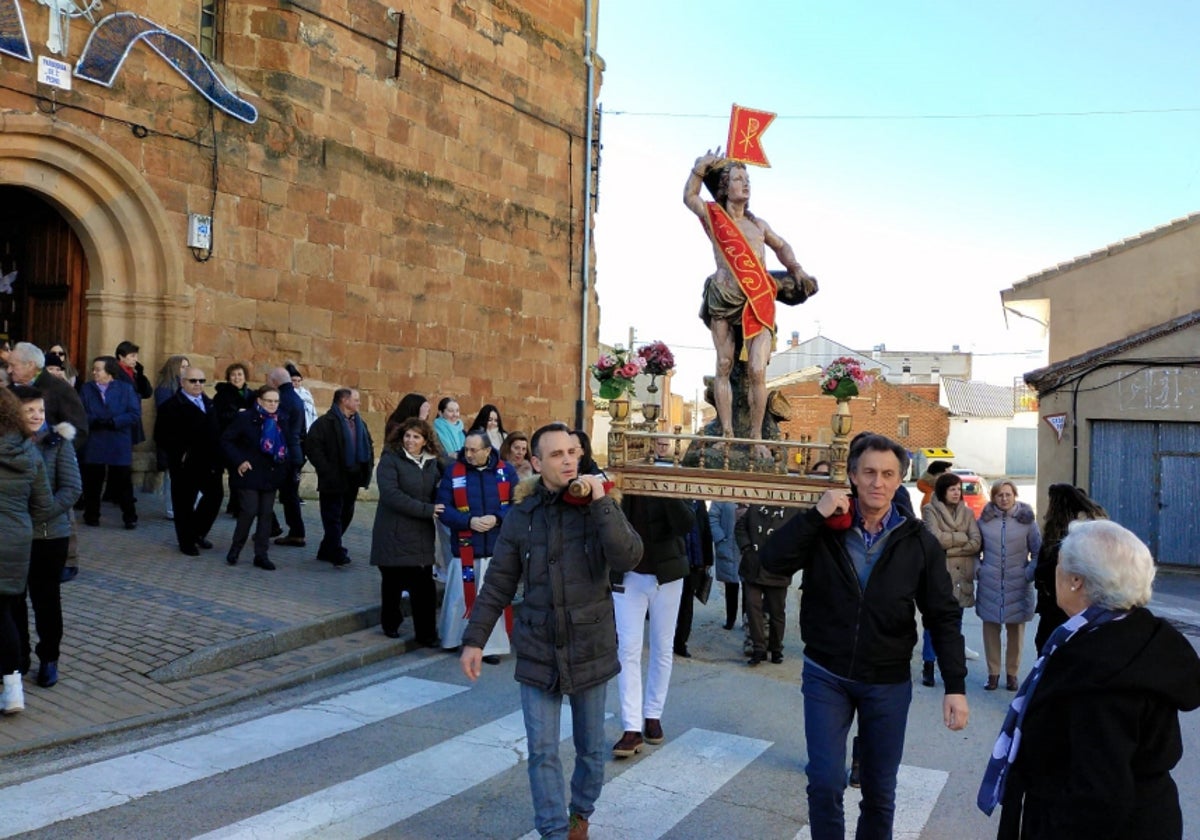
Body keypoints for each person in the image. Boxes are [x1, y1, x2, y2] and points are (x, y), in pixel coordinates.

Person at [761, 433, 968, 840]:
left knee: (878, 791)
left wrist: (955, 686)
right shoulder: (824, 528)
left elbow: (943, 615)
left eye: (888, 474)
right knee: (824, 781)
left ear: (899, 480)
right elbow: (771, 562)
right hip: (827, 674)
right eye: (869, 472)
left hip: (886, 682)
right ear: (853, 475)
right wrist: (814, 516)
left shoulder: (918, 541)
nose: (878, 482)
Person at [459, 422, 642, 840]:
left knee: (591, 749)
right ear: (537, 462)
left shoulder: (600, 506)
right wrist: (475, 639)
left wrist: (602, 503)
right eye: (556, 454)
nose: (567, 460)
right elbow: (500, 581)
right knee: (542, 750)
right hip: (539, 645)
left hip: (589, 645)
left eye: (573, 452)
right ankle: (554, 831)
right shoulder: (523, 514)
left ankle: (581, 812)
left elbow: (628, 557)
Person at [979, 519, 1200, 839]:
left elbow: (1099, 794)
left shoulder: (1101, 667)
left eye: (1059, 566)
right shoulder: (1131, 633)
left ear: (1076, 581)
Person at [684, 150, 817, 442]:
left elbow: (782, 247)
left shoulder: (759, 225)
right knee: (723, 364)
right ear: (725, 186)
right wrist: (699, 169)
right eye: (738, 179)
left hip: (759, 298)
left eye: (748, 179)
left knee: (758, 369)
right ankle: (728, 435)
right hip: (725, 295)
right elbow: (689, 198)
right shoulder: (714, 215)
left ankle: (757, 438)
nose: (746, 184)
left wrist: (796, 269)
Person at [612, 441, 695, 756]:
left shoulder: (673, 477)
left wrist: (664, 487)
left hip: (666, 577)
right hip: (629, 575)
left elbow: (686, 524)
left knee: (662, 647)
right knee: (628, 650)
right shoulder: (622, 480)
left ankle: (653, 715)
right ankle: (631, 726)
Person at [12, 385, 80, 689]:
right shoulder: (7, 443)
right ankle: (17, 659)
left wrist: (40, 512)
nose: (37, 415)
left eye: (40, 409)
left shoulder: (58, 442)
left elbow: (72, 489)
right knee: (13, 601)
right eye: (30, 410)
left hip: (49, 535)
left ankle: (49, 658)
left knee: (46, 601)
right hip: (13, 537)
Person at [436, 428, 518, 658]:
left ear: (487, 450)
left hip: (495, 548)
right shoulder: (454, 472)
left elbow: (519, 504)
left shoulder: (506, 471)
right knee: (460, 597)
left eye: (473, 450)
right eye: (466, 449)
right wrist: (468, 521)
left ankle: (491, 647)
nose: (468, 454)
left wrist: (498, 518)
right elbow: (443, 509)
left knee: (492, 598)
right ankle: (454, 639)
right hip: (465, 548)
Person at [0, 387, 53, 714]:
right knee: (4, 613)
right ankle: (13, 687)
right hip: (17, 539)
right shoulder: (30, 452)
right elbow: (44, 504)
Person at [369, 418, 443, 644]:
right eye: (407, 436)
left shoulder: (433, 462)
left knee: (424, 589)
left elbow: (454, 475)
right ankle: (390, 623)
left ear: (425, 440)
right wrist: (426, 509)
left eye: (416, 437)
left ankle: (426, 635)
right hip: (393, 532)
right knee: (392, 583)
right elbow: (391, 495)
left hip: (420, 535)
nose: (410, 440)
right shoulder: (390, 460)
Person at [976, 480, 1041, 691]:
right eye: (999, 495)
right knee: (991, 629)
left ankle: (1012, 674)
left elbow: (1038, 550)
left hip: (1018, 582)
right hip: (991, 582)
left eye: (1008, 494)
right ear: (993, 497)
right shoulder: (984, 521)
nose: (1004, 499)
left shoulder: (1027, 521)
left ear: (1015, 496)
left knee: (1016, 631)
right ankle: (992, 673)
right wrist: (980, 570)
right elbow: (974, 550)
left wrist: (1029, 572)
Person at [920, 472, 982, 686]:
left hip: (961, 575)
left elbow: (976, 541)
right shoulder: (930, 510)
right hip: (939, 574)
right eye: (952, 489)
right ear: (943, 491)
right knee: (933, 621)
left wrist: (951, 546)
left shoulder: (967, 512)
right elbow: (934, 539)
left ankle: (951, 666)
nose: (957, 493)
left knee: (956, 622)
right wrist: (961, 540)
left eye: (959, 489)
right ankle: (928, 663)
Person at [154, 368, 224, 556]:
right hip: (185, 463)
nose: (198, 384)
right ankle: (186, 541)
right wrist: (181, 453)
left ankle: (197, 532)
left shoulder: (209, 403)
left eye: (201, 380)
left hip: (209, 461)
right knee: (184, 503)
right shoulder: (171, 406)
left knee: (215, 496)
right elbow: (161, 436)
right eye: (193, 380)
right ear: (182, 382)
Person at [220, 386, 289, 570]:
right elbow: (226, 440)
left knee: (266, 515)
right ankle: (236, 549)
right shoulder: (245, 418)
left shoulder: (282, 419)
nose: (273, 405)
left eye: (276, 401)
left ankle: (261, 554)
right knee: (249, 510)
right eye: (269, 401)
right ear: (259, 401)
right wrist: (239, 461)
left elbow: (288, 443)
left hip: (271, 473)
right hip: (249, 473)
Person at [1032, 483, 1107, 653]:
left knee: (1053, 646)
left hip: (1065, 603)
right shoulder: (1066, 529)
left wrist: (1040, 572)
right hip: (1056, 602)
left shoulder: (1074, 533)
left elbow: (1057, 566)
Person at [305, 388, 374, 566]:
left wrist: (367, 467)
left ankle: (327, 548)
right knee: (332, 515)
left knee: (346, 513)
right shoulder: (324, 423)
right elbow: (313, 447)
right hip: (333, 477)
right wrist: (326, 469)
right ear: (344, 401)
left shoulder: (360, 423)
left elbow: (368, 444)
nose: (359, 403)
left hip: (354, 476)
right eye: (356, 399)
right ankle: (336, 551)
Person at [79, 356, 141, 529]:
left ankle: (130, 516)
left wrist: (115, 421)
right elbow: (80, 411)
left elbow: (134, 414)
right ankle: (91, 515)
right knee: (92, 481)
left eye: (98, 369)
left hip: (118, 439)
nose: (94, 372)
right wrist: (94, 420)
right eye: (94, 369)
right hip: (95, 439)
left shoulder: (125, 389)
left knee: (123, 481)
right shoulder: (86, 389)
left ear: (109, 371)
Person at [737, 503, 798, 665]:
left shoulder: (793, 509)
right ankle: (758, 648)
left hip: (778, 568)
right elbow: (741, 527)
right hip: (753, 566)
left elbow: (800, 536)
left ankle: (776, 648)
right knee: (752, 606)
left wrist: (790, 558)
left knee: (777, 611)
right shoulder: (756, 506)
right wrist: (746, 549)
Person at [7, 343, 88, 453]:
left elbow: (79, 430)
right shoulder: (7, 392)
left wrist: (54, 455)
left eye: (13, 365)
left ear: (30, 365)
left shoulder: (60, 389)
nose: (9, 370)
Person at [267, 367, 307, 548]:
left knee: (266, 490)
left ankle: (277, 528)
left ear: (275, 381)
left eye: (269, 380)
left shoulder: (282, 399)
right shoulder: (297, 398)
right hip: (295, 452)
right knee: (290, 495)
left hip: (284, 454)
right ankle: (294, 532)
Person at [213, 362, 255, 518]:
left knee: (242, 473)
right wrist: (237, 414)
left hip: (246, 440)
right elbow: (218, 417)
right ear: (228, 377)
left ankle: (235, 504)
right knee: (234, 472)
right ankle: (236, 505)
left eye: (240, 374)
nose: (237, 378)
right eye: (233, 375)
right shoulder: (222, 395)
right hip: (229, 439)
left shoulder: (250, 394)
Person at [673, 498, 712, 659]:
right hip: (675, 560)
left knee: (687, 603)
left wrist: (708, 560)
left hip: (694, 563)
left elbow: (705, 530)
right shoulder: (675, 502)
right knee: (672, 603)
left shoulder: (699, 503)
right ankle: (668, 639)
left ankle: (681, 642)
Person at [153, 355, 190, 521]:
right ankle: (171, 509)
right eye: (183, 367)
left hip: (186, 437)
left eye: (187, 366)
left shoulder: (187, 386)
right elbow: (166, 412)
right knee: (171, 475)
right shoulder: (165, 388)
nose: (186, 370)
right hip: (171, 437)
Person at [708, 500, 740, 631]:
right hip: (729, 544)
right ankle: (730, 619)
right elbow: (712, 517)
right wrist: (720, 538)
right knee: (731, 584)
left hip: (748, 546)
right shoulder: (723, 494)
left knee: (751, 587)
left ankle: (748, 620)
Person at [285, 362, 318, 430]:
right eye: (293, 380)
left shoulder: (306, 393)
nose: (296, 383)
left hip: (305, 423)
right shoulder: (286, 393)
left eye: (299, 381)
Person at [432, 397, 465, 462]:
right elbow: (435, 454)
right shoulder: (434, 431)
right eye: (450, 411)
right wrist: (448, 455)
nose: (455, 414)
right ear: (440, 413)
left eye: (457, 410)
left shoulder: (462, 430)